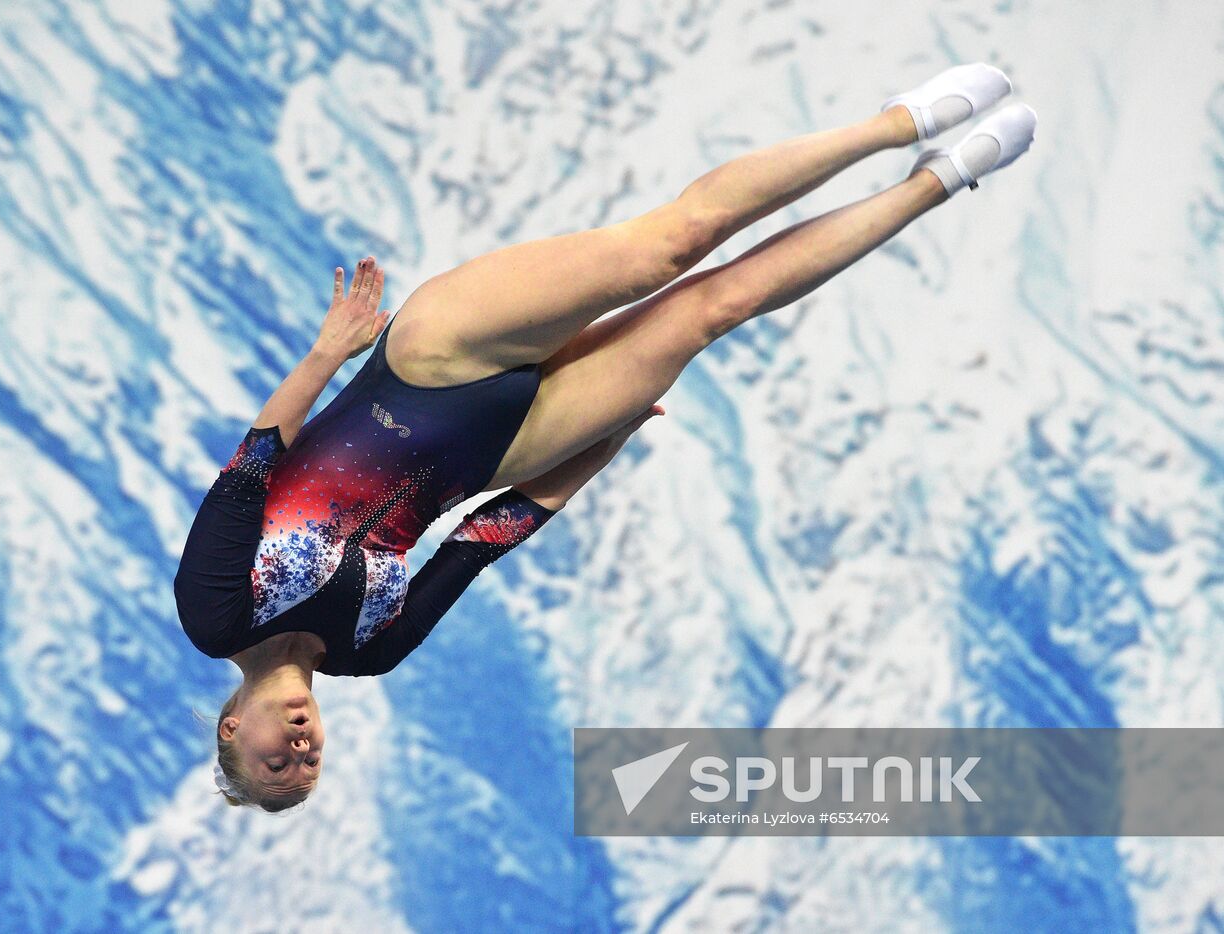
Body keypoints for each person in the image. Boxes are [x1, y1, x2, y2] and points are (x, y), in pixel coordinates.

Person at [173, 62, 1038, 811]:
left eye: (274, 758)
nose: (300, 746)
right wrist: (606, 437)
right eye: (309, 763)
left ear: (231, 725)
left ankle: (901, 122)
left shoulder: (213, 614)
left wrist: (330, 350)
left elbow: (253, 468)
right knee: (712, 309)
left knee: (667, 249)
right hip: (498, 451)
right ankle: (938, 179)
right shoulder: (372, 652)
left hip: (424, 364)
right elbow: (487, 536)